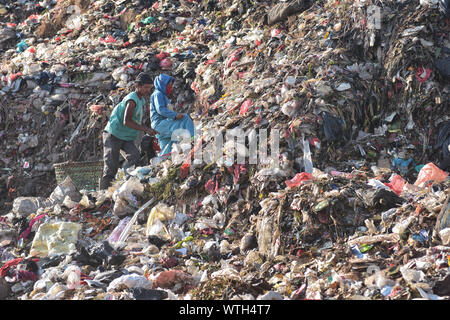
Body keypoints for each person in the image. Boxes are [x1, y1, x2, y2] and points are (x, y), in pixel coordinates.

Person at [100, 73, 157, 189]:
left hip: (126, 137)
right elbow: (127, 121)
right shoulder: (132, 100)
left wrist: (148, 130)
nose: (147, 90)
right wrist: (145, 129)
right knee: (110, 167)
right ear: (138, 86)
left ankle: (125, 181)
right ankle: (102, 194)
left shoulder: (141, 99)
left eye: (149, 88)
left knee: (135, 156)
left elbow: (136, 120)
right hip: (114, 134)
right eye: (145, 87)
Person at [150, 74, 195, 156]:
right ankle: (193, 139)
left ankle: (161, 163)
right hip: (160, 124)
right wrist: (175, 115)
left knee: (168, 146)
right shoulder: (158, 94)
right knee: (185, 118)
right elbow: (161, 110)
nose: (170, 87)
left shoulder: (163, 96)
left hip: (159, 128)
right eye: (169, 84)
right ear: (163, 84)